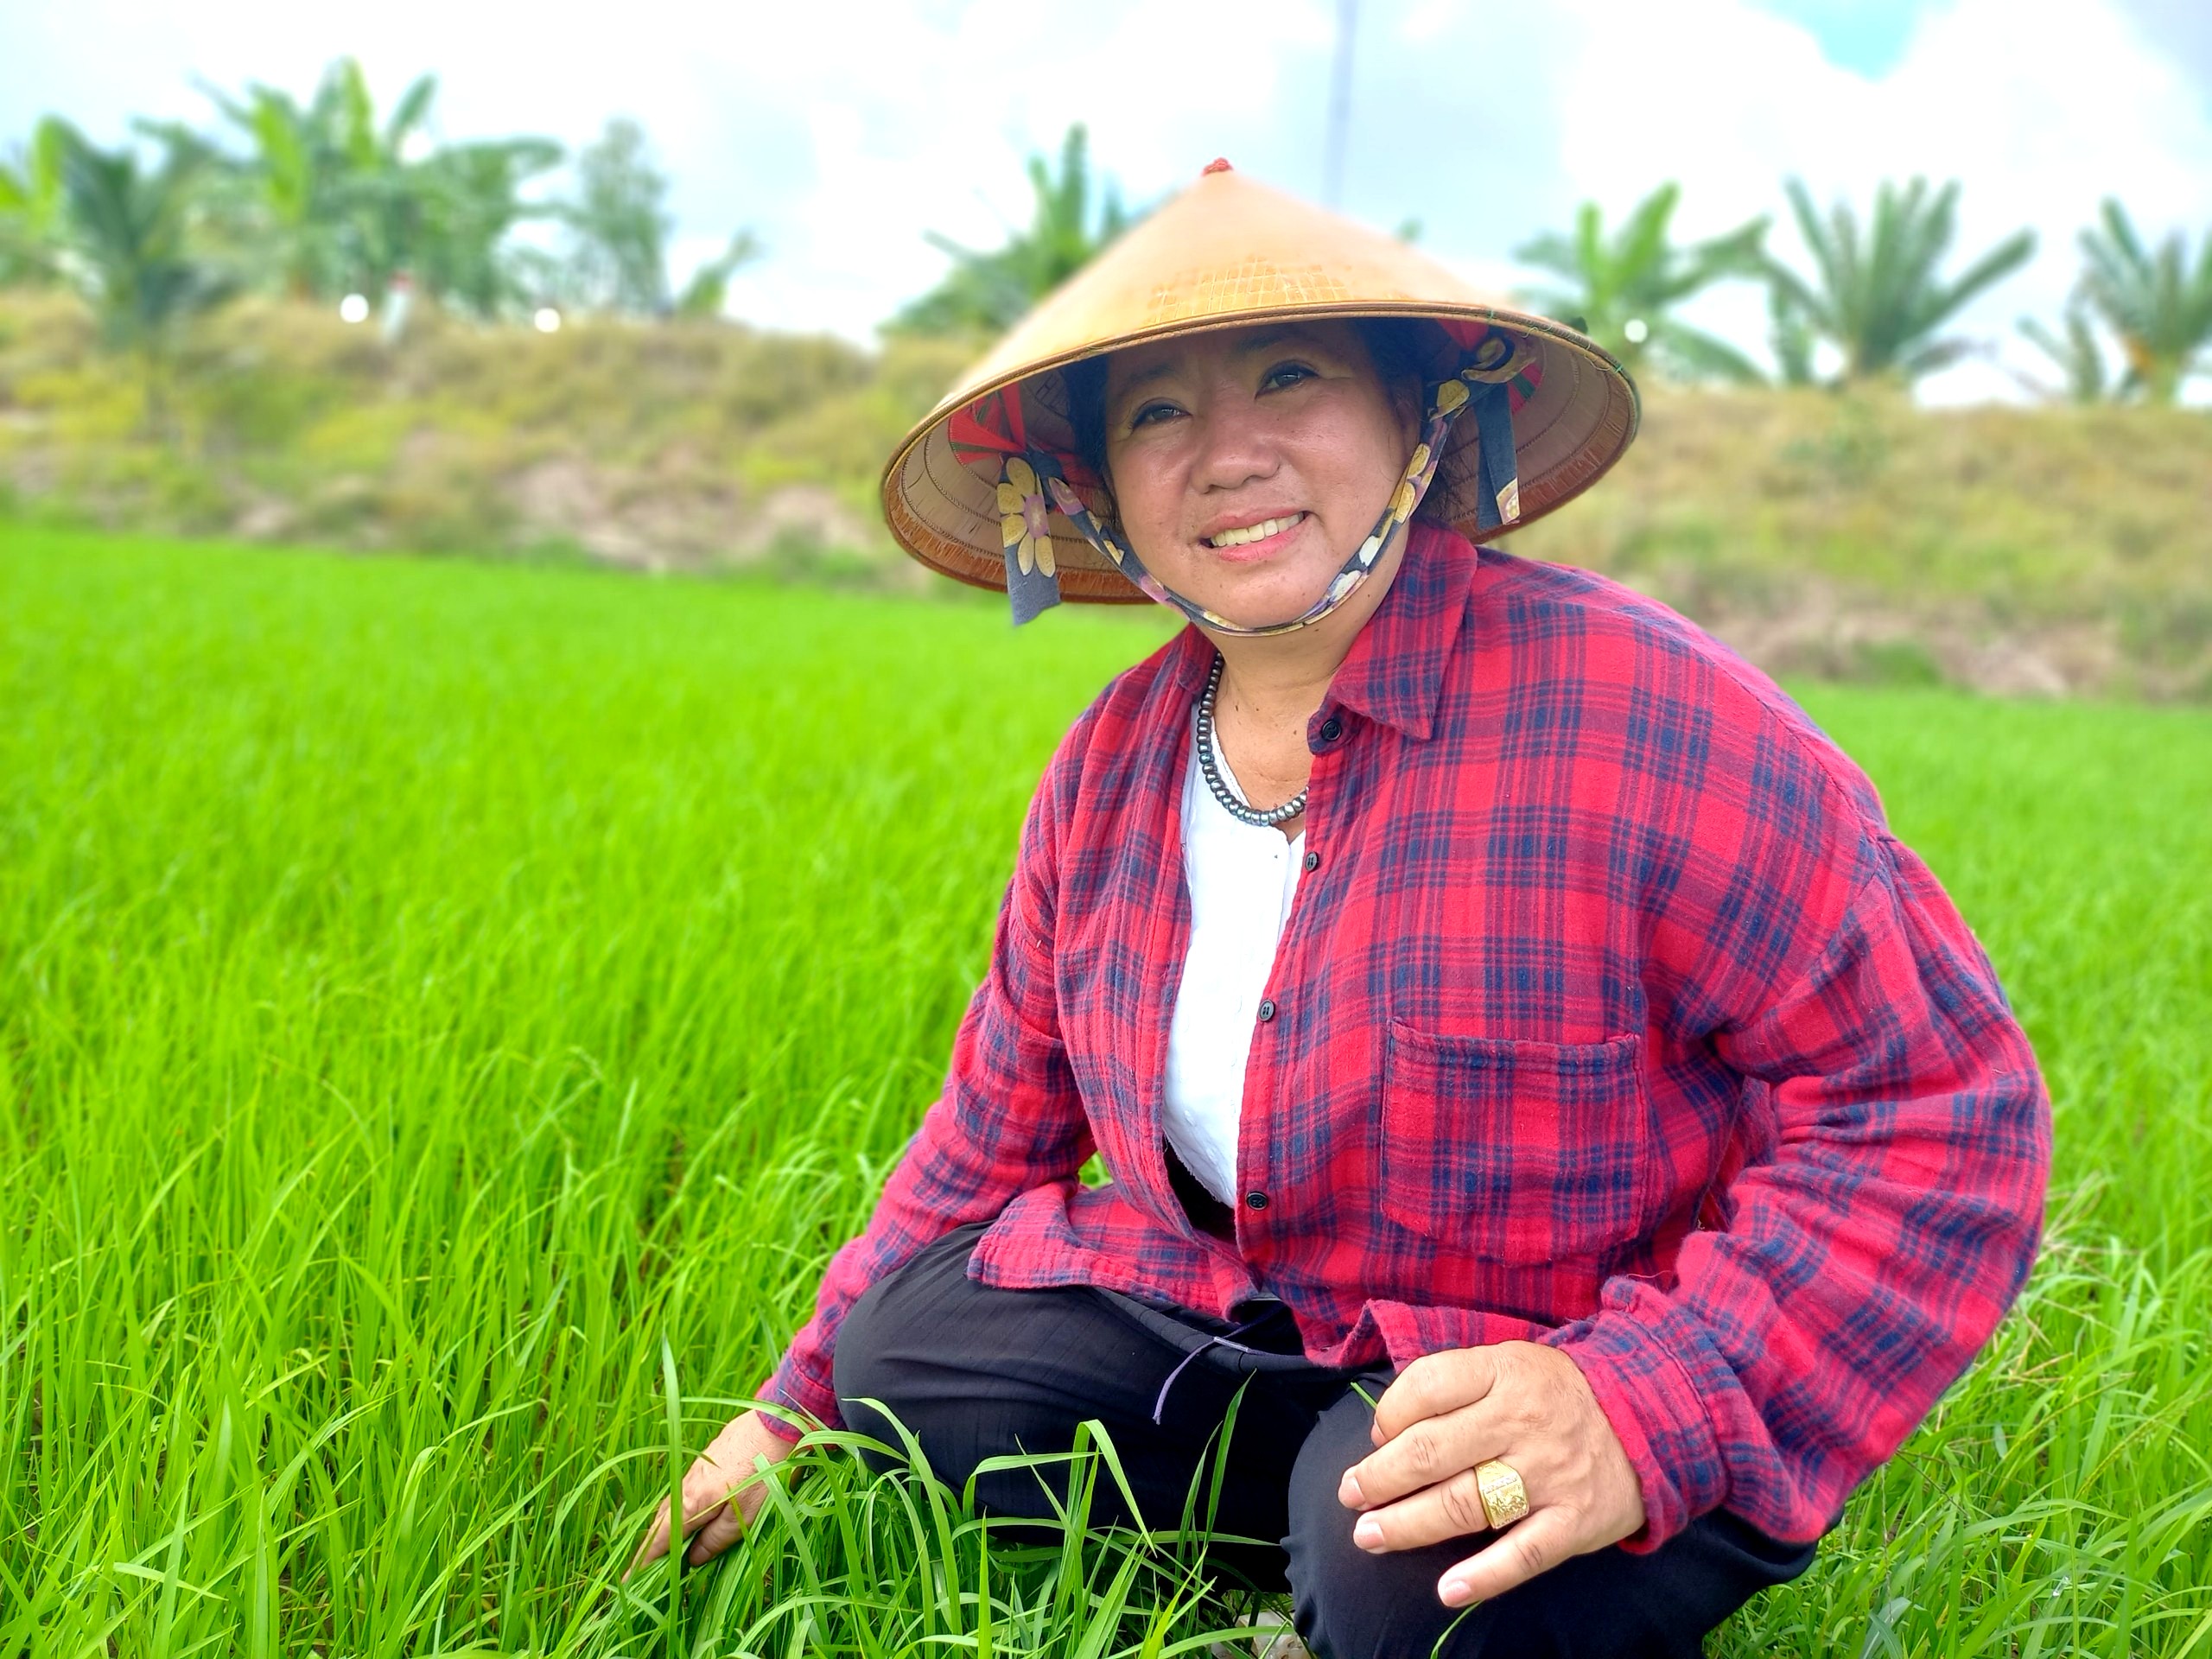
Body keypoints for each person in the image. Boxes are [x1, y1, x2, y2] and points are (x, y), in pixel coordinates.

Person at [628, 162, 2050, 1658]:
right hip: (1280, 1342)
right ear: (1098, 498)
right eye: (1157, 412)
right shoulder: (1112, 770)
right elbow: (991, 1127)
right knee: (907, 1346)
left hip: (1563, 1367)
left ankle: (1361, 1569)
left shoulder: (1649, 719)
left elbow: (1946, 1102)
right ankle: (1295, 1546)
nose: (1228, 454)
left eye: (1289, 379)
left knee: (1409, 1587)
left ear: (1417, 427)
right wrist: (790, 1410)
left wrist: (1647, 1398)